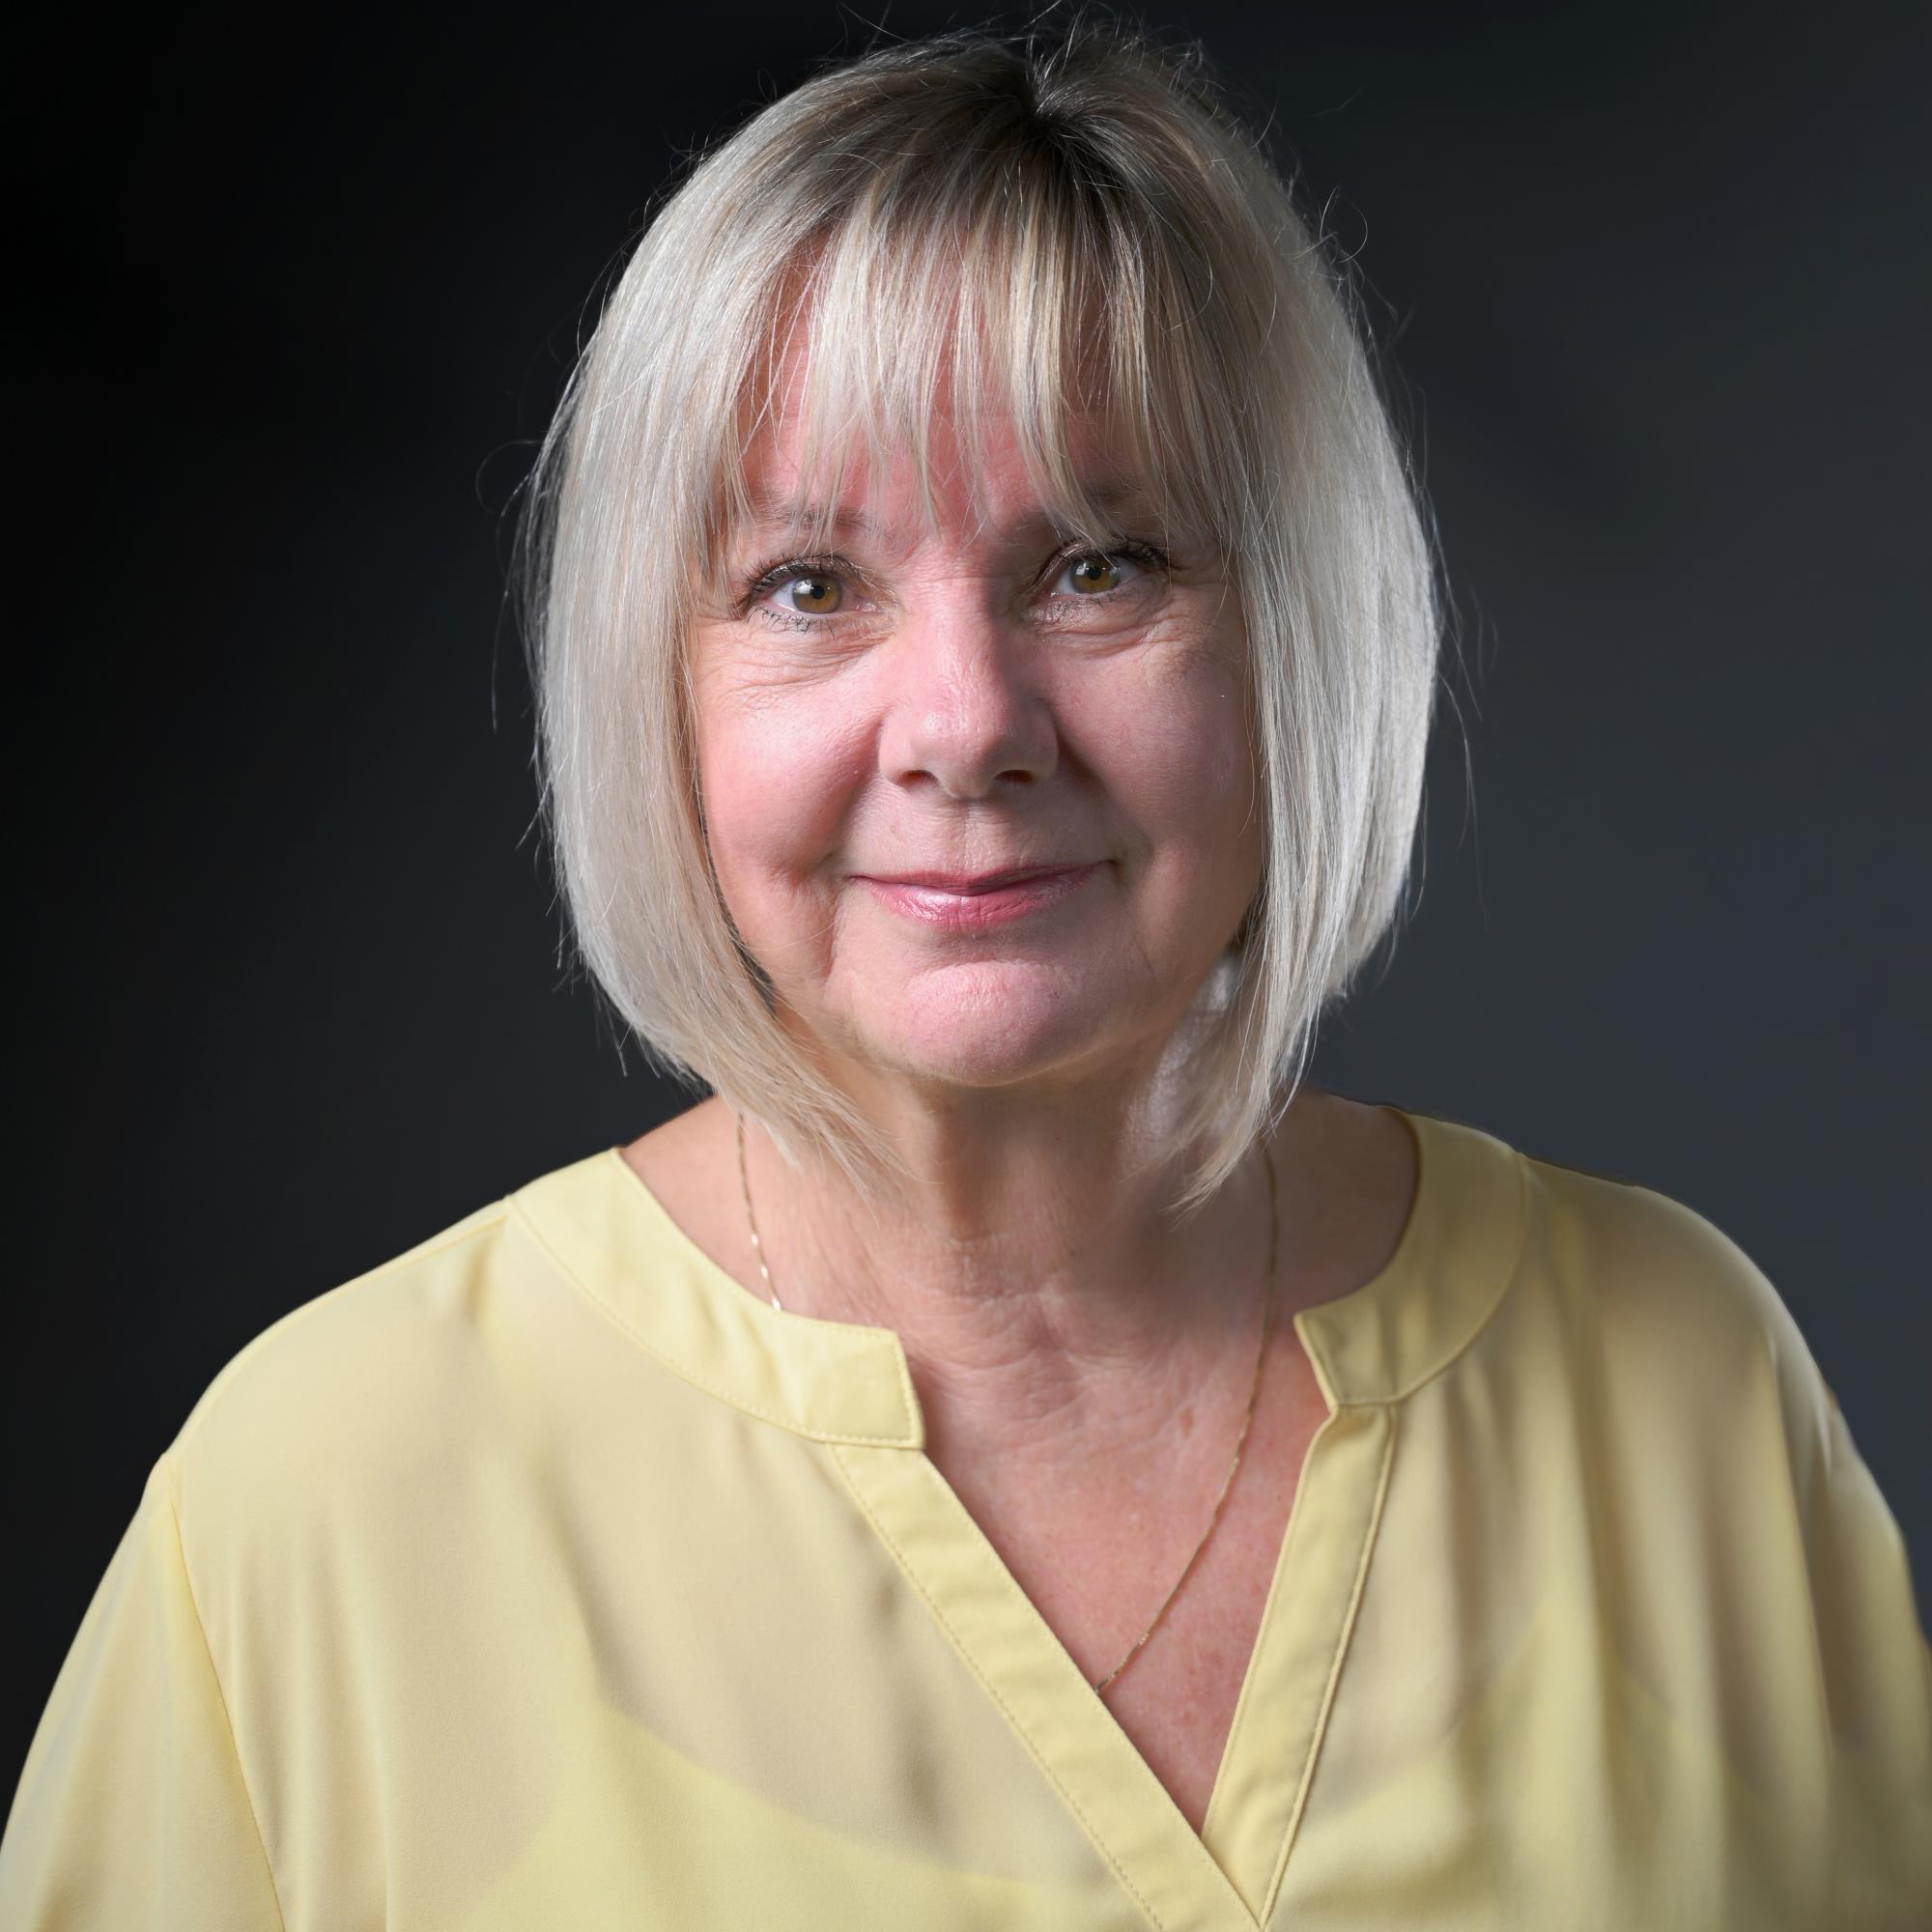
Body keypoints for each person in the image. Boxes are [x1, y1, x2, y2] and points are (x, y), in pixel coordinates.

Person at [3, 19, 1926, 1930]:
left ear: (1297, 634)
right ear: (654, 686)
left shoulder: (1679, 1384)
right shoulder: (327, 1496)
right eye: (810, 584)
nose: (963, 725)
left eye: (1097, 562)